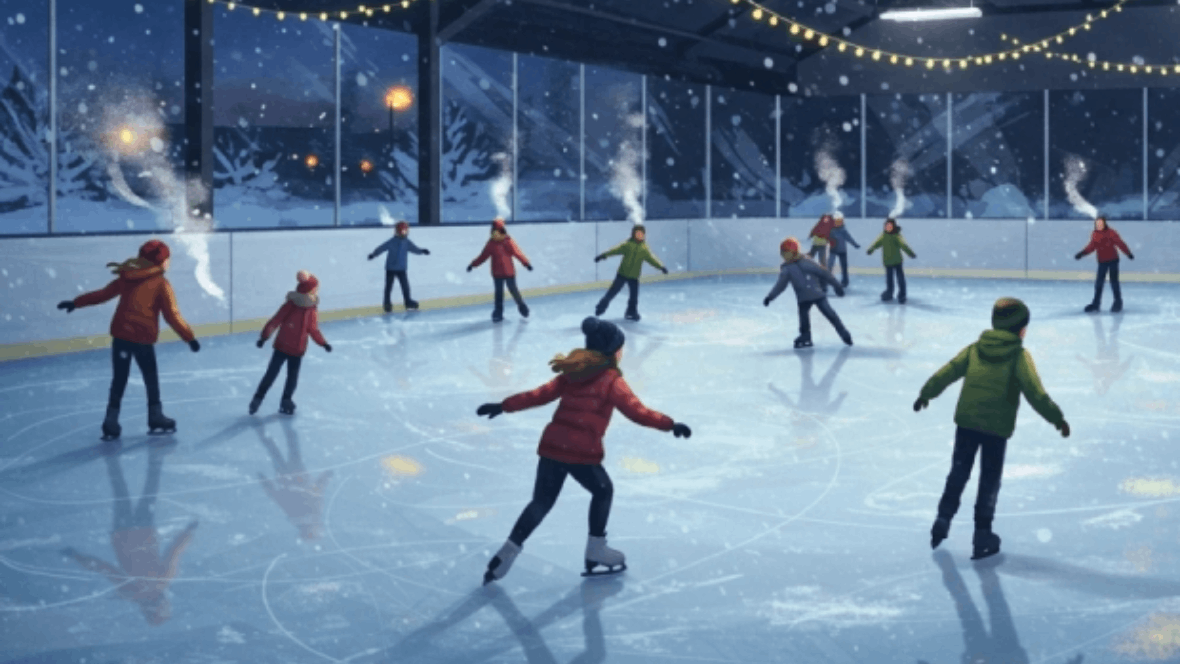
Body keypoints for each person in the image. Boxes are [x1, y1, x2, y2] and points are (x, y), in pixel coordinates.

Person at [476, 317, 692, 583]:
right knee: (603, 490)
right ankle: (596, 548)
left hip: (553, 446)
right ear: (614, 352)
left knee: (541, 502)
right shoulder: (611, 380)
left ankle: (506, 553)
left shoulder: (573, 372)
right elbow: (637, 412)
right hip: (580, 451)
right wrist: (670, 425)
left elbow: (538, 394)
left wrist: (503, 406)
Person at [914, 297, 1070, 560]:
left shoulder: (975, 349)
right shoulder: (1019, 356)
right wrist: (1057, 419)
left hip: (967, 421)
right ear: (1021, 330)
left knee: (959, 471)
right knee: (989, 480)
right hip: (996, 428)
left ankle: (943, 518)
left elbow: (949, 371)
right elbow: (1035, 393)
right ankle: (982, 534)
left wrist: (927, 393)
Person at [57, 240, 199, 440]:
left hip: (122, 335)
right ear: (162, 261)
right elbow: (172, 315)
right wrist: (189, 338)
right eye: (167, 259)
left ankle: (110, 421)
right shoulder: (161, 284)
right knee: (151, 379)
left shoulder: (128, 277)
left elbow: (103, 294)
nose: (169, 262)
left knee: (119, 379)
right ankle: (155, 416)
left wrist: (76, 302)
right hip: (142, 338)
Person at [251, 271, 332, 416]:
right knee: (291, 377)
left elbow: (275, 321)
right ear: (311, 290)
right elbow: (312, 329)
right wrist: (323, 343)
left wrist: (264, 338)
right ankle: (284, 400)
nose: (317, 290)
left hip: (283, 346)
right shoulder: (308, 308)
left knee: (273, 373)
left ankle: (260, 397)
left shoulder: (294, 305)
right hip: (296, 349)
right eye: (315, 288)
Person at [764, 237, 852, 348]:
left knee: (830, 315)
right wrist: (770, 297)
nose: (783, 255)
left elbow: (824, 273)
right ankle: (805, 335)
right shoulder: (787, 269)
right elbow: (780, 286)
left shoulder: (806, 262)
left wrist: (837, 286)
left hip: (817, 295)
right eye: (782, 253)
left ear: (793, 252)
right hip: (805, 298)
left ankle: (844, 333)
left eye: (785, 252)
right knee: (804, 317)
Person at [594, 224, 668, 322]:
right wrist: (603, 255)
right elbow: (615, 250)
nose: (640, 236)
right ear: (633, 234)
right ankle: (601, 307)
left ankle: (631, 312)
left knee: (634, 296)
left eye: (642, 234)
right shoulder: (627, 245)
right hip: (622, 274)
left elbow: (651, 259)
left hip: (634, 276)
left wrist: (661, 267)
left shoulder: (644, 248)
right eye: (638, 233)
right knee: (612, 292)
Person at [468, 218, 533, 323]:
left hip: (509, 272)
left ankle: (522, 306)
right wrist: (473, 264)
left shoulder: (508, 241)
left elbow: (517, 253)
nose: (493, 233)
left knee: (513, 290)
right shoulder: (491, 244)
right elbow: (483, 256)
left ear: (501, 230)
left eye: (496, 231)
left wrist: (526, 263)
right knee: (499, 293)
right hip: (497, 273)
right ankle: (498, 312)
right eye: (492, 231)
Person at [1075, 215, 1133, 313]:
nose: (1099, 225)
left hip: (1113, 260)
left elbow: (1120, 243)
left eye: (1101, 223)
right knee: (1099, 283)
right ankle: (1096, 304)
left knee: (1114, 282)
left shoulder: (1111, 232)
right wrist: (1082, 253)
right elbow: (1092, 246)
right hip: (1102, 262)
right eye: (1097, 224)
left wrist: (1128, 253)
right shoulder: (1095, 234)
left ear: (1104, 224)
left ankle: (1117, 303)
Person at [369, 220, 430, 313]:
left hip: (401, 269)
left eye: (406, 231)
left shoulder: (406, 242)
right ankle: (387, 303)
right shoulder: (392, 241)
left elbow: (414, 249)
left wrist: (422, 251)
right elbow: (381, 248)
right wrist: (374, 254)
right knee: (389, 286)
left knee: (404, 286)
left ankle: (407, 302)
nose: (405, 233)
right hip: (391, 268)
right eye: (404, 231)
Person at [866, 218, 916, 304]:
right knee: (889, 279)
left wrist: (910, 253)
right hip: (887, 261)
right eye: (886, 226)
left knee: (900, 278)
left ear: (894, 226)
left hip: (897, 261)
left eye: (890, 226)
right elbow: (877, 243)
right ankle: (889, 293)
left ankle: (902, 295)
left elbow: (903, 245)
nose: (888, 227)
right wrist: (871, 249)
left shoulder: (896, 236)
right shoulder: (883, 235)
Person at [826, 212, 860, 287]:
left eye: (839, 221)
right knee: (830, 265)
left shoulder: (843, 230)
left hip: (842, 250)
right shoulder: (831, 230)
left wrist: (855, 244)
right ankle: (827, 279)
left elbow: (849, 238)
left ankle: (845, 281)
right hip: (833, 249)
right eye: (836, 221)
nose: (838, 223)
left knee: (844, 266)